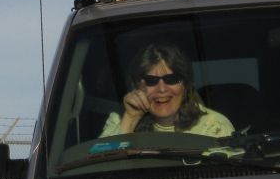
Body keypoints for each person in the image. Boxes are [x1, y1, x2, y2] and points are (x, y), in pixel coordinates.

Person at [100, 44, 234, 137]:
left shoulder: (213, 125)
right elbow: (101, 169)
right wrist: (130, 119)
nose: (162, 89)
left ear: (185, 85)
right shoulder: (119, 120)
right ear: (137, 86)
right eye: (151, 80)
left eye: (171, 79)